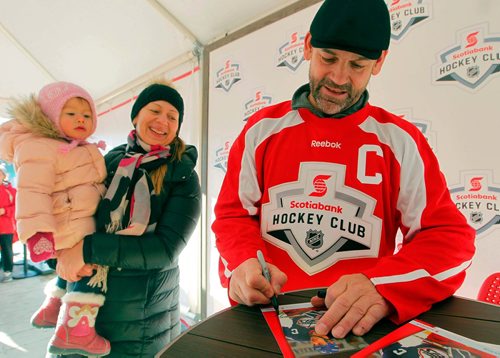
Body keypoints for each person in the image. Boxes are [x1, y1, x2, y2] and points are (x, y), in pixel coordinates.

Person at [212, 0, 476, 340]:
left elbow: (449, 240)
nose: (339, 78)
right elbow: (233, 216)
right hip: (264, 323)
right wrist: (242, 263)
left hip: (356, 331)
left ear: (379, 62)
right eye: (328, 58)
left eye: (358, 65)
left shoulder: (400, 142)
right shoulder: (262, 129)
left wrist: (380, 286)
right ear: (307, 46)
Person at [55, 81, 202, 357]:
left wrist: (86, 249)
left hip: (142, 323)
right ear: (136, 116)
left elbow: (165, 249)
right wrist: (62, 254)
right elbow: (74, 213)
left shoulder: (183, 175)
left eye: (172, 117)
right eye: (155, 110)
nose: (163, 121)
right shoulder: (108, 161)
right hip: (86, 307)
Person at [0, 81, 110, 356]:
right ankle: (76, 332)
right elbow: (32, 192)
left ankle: (53, 307)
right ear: (50, 116)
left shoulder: (73, 145)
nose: (81, 120)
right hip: (68, 221)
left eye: (86, 115)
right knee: (89, 268)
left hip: (77, 217)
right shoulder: (39, 147)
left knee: (70, 267)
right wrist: (38, 234)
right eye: (70, 113)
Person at [0, 165, 16, 283]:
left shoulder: (11, 191)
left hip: (6, 227)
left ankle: (8, 272)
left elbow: (17, 207)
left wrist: (4, 211)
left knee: (6, 249)